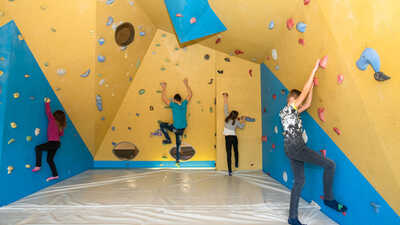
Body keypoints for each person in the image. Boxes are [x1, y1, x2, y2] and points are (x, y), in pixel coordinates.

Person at [279, 59, 347, 225]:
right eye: (296, 100)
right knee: (330, 165)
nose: (298, 102)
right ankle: (329, 199)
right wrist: (314, 67)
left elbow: (307, 102)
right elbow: (303, 94)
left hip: (290, 149)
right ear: (292, 100)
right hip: (297, 147)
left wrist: (313, 88)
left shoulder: (290, 113)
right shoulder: (289, 108)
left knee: (299, 181)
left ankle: (292, 218)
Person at [32, 97, 66, 182]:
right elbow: (61, 134)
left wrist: (47, 103)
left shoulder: (52, 120)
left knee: (38, 148)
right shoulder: (61, 126)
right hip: (57, 144)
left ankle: (38, 165)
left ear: (55, 116)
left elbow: (48, 112)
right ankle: (55, 175)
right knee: (49, 160)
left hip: (52, 143)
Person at [159, 78, 192, 166]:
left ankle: (168, 139)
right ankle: (177, 161)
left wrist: (163, 88)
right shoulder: (184, 104)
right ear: (180, 99)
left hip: (175, 128)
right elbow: (190, 94)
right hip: (182, 129)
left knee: (162, 125)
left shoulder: (173, 105)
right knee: (178, 144)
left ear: (175, 100)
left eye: (173, 99)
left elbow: (163, 98)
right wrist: (186, 84)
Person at [222, 93, 246, 176]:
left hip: (227, 138)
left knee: (228, 153)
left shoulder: (227, 117)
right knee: (236, 151)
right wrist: (243, 120)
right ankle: (236, 163)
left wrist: (225, 98)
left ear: (230, 114)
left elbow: (225, 107)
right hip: (234, 138)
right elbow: (242, 127)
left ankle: (230, 171)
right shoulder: (236, 122)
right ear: (236, 116)